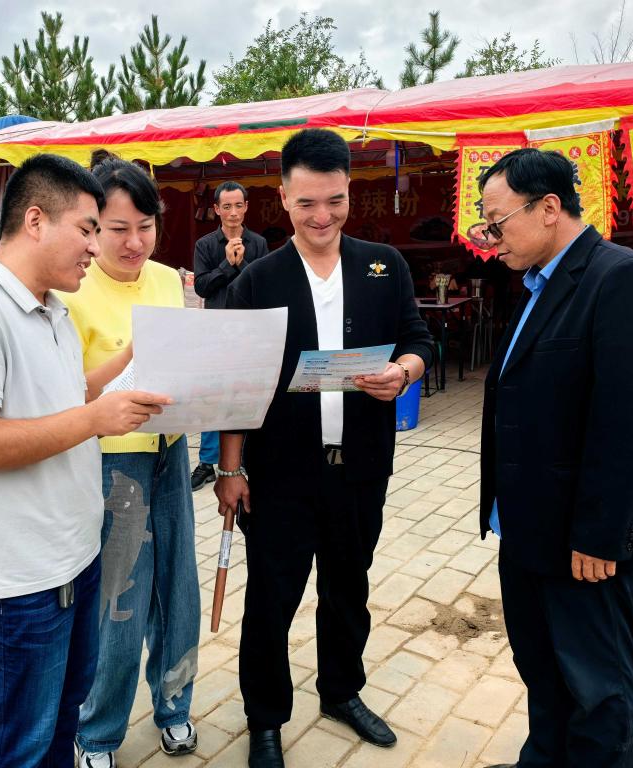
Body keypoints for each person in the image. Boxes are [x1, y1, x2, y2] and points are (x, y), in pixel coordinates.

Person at [0, 154, 172, 768]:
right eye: (87, 229)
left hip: (75, 560)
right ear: (35, 220)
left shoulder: (51, 307)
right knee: (20, 744)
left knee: (60, 727)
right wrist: (97, 419)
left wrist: (133, 360)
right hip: (20, 581)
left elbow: (70, 396)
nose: (96, 247)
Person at [215, 129, 434, 768]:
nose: (322, 216)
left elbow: (417, 337)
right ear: (283, 198)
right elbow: (237, 385)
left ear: (349, 193)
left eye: (335, 201)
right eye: (307, 202)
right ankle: (265, 718)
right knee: (272, 599)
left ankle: (341, 691)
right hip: (281, 474)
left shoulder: (382, 265)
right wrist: (231, 469)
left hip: (360, 466)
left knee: (348, 589)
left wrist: (405, 372)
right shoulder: (258, 281)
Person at [476, 148, 633, 768]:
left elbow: (630, 423)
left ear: (548, 208)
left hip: (583, 542)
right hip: (528, 525)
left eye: (496, 222)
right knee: (541, 667)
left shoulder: (622, 279)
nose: (490, 240)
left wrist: (600, 535)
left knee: (597, 688)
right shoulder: (539, 283)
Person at [66, 153, 201, 768]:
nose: (133, 242)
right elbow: (68, 392)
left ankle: (174, 706)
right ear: (93, 227)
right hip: (112, 464)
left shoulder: (169, 280)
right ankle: (98, 732)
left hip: (170, 449)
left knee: (178, 590)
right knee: (119, 601)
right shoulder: (72, 289)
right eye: (118, 229)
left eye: (145, 227)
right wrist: (128, 360)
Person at [190, 182, 268, 491]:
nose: (233, 212)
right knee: (213, 395)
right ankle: (207, 461)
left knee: (247, 392)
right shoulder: (205, 245)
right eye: (226, 207)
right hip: (217, 330)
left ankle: (243, 456)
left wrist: (242, 263)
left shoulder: (258, 243)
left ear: (246, 207)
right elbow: (201, 287)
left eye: (238, 205)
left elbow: (262, 285)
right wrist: (226, 264)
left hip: (250, 330)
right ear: (216, 210)